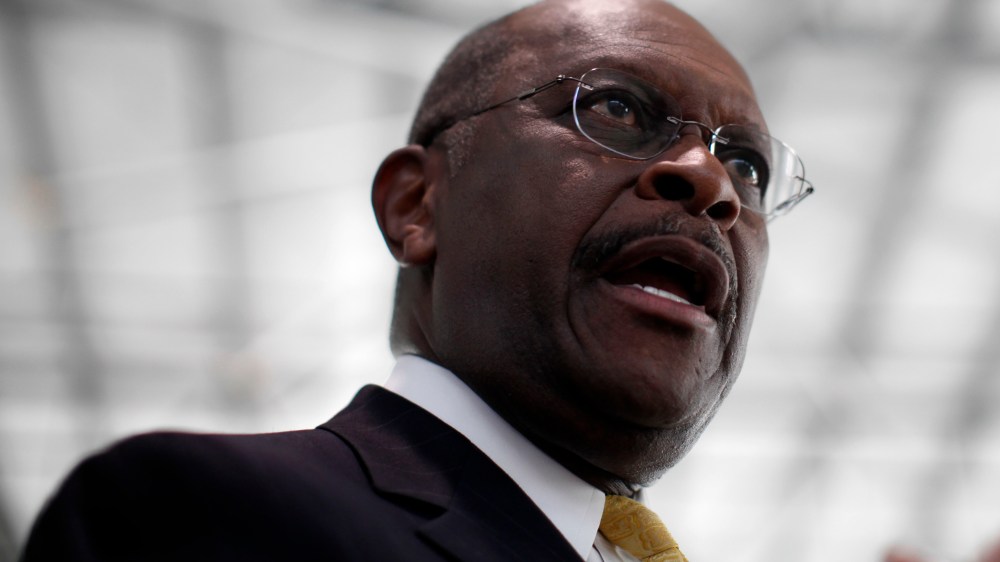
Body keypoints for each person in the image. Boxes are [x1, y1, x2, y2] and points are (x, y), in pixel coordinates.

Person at [21, 0, 815, 560]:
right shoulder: (208, 516)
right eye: (615, 109)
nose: (710, 182)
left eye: (745, 165)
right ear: (416, 204)